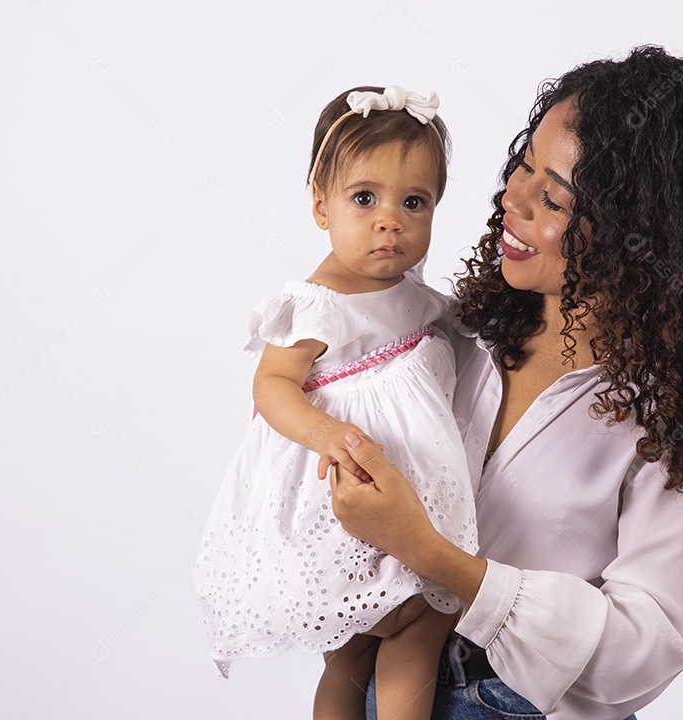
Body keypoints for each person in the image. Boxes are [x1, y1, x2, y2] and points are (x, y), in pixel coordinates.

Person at [328, 46, 683, 720]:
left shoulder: (680, 422)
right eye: (523, 166)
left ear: (637, 234)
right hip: (385, 682)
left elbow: (644, 650)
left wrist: (428, 552)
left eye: (552, 198)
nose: (510, 198)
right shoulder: (457, 336)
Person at [192, 85, 478, 720]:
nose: (390, 220)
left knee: (392, 636)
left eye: (414, 202)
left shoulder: (418, 297)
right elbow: (270, 387)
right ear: (321, 205)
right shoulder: (320, 301)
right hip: (348, 503)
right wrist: (325, 434)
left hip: (404, 498)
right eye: (364, 199)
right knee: (409, 626)